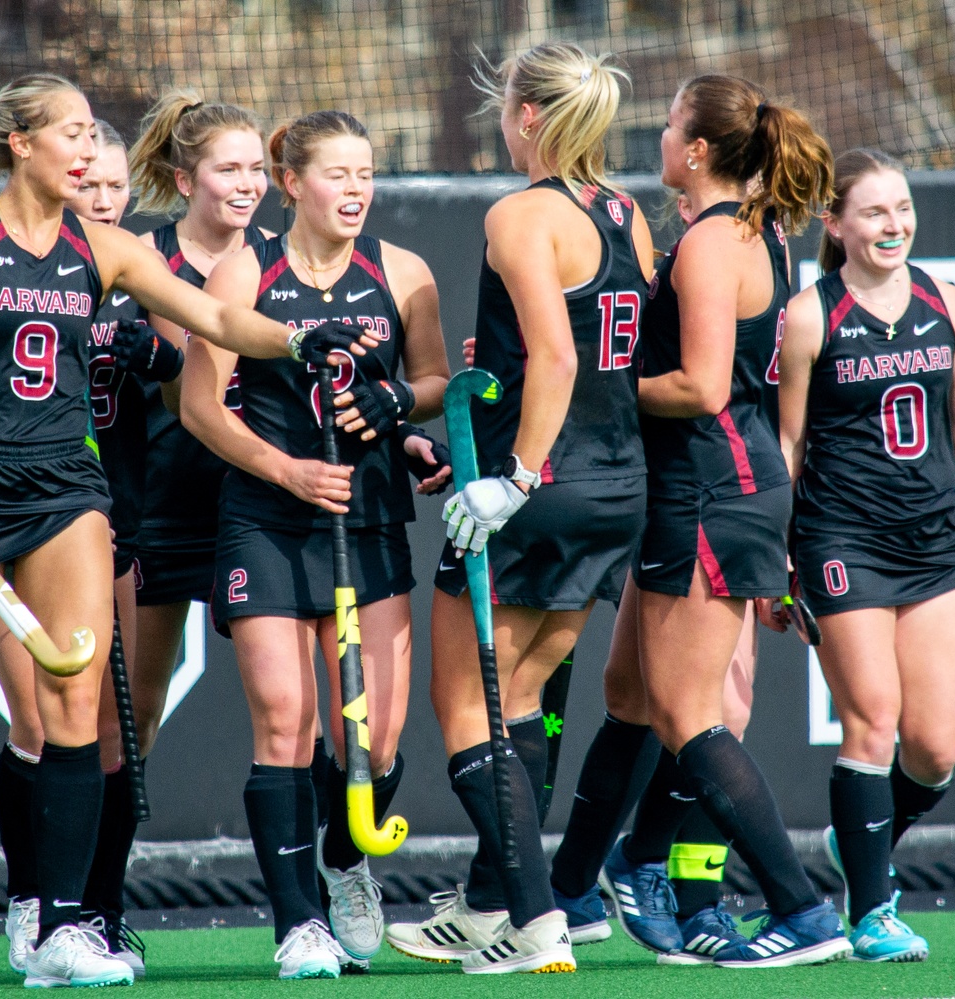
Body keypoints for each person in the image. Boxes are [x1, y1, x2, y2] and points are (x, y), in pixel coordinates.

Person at [0, 74, 376, 991]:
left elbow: (212, 315)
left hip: (67, 492)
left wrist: (298, 340)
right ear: (21, 145)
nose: (89, 151)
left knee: (74, 707)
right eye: (73, 135)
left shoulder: (108, 246)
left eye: (93, 135)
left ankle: (62, 926)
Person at [545, 74, 846, 968]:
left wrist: (584, 387)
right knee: (631, 698)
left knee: (687, 713)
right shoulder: (740, 232)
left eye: (673, 124)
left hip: (713, 493)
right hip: (703, 491)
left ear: (702, 150)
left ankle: (801, 909)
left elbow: (703, 387)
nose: (661, 136)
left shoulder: (717, 243)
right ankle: (574, 888)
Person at [385, 42, 654, 976]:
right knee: (523, 700)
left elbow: (560, 357)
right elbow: (601, 347)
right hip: (618, 487)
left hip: (542, 491)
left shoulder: (519, 213)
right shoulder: (625, 213)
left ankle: (539, 919)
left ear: (529, 117)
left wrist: (514, 477)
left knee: (463, 706)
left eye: (505, 108)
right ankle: (498, 906)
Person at [180, 110, 451, 980]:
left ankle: (344, 861)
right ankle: (299, 922)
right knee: (286, 719)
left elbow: (437, 379)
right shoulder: (245, 268)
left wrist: (399, 406)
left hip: (365, 518)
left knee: (374, 739)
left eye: (366, 173)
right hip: (267, 519)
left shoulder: (402, 273)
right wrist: (286, 471)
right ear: (291, 183)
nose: (357, 189)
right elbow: (199, 405)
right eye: (337, 174)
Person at [776, 147, 955, 962]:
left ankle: (858, 836)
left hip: (934, 544)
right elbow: (786, 443)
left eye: (902, 209)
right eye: (873, 212)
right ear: (836, 224)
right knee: (874, 719)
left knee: (935, 750)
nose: (893, 225)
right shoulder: (810, 315)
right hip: (839, 540)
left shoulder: (947, 304)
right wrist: (776, 557)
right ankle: (871, 912)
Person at [0, 119, 170, 977]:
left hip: (101, 520)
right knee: (31, 718)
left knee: (105, 733)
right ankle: (29, 899)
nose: (103, 199)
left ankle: (88, 914)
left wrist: (155, 356)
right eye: (89, 183)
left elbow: (188, 355)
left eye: (113, 186)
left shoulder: (132, 266)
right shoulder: (1, 250)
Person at [124, 90, 274, 775]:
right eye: (229, 170)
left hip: (256, 505)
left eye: (258, 169)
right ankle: (97, 874)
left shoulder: (284, 257)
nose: (249, 184)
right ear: (186, 181)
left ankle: (333, 869)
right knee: (134, 711)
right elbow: (190, 390)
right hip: (163, 505)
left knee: (290, 711)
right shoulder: (144, 259)